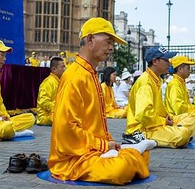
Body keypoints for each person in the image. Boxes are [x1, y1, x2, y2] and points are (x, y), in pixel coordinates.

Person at [49, 17, 154, 185]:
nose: (111, 48)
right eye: (108, 41)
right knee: (121, 169)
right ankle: (132, 152)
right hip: (73, 159)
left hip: (93, 149)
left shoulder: (90, 74)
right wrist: (104, 146)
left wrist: (107, 144)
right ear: (90, 39)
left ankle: (131, 152)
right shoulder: (74, 77)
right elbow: (66, 131)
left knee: (138, 158)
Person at [125, 46, 195, 148]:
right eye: (166, 60)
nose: (169, 63)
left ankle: (175, 130)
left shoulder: (155, 79)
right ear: (155, 61)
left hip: (158, 122)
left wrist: (166, 117)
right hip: (144, 129)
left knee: (191, 117)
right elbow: (143, 115)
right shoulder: (146, 82)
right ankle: (138, 137)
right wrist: (164, 121)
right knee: (183, 135)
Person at [36, 57, 66, 125]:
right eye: (62, 67)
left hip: (56, 112)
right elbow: (44, 102)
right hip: (46, 116)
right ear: (54, 69)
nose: (64, 69)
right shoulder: (48, 82)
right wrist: (58, 108)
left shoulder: (59, 81)